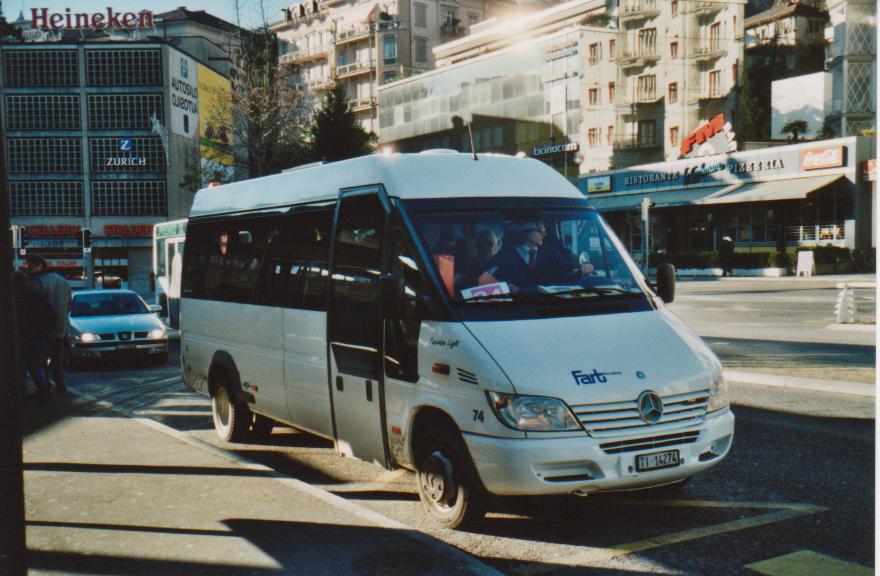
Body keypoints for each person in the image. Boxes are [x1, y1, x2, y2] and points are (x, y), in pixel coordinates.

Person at [493, 220, 593, 291]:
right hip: (515, 306)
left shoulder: (550, 253)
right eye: (540, 231)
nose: (544, 234)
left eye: (545, 231)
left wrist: (583, 267)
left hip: (548, 303)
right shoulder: (505, 256)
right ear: (527, 232)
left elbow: (567, 268)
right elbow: (495, 279)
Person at [26, 255, 71, 394]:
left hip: (43, 328)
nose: (29, 270)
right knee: (57, 359)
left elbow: (33, 306)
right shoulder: (63, 281)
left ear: (40, 266)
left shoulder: (37, 282)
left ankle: (45, 386)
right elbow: (69, 302)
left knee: (39, 360)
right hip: (61, 327)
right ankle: (60, 384)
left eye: (30, 266)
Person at [13, 270, 53, 401]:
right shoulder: (37, 297)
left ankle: (21, 396)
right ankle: (44, 388)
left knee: (21, 367)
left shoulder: (12, 300)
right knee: (36, 366)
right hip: (39, 337)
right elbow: (52, 315)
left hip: (21, 337)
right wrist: (46, 330)